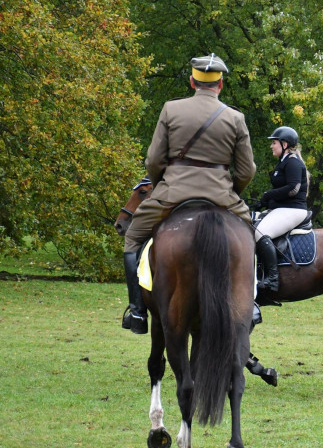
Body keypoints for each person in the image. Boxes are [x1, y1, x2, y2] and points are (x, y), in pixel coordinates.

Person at [121, 53, 256, 334]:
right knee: (253, 237)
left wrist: (161, 184)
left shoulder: (171, 109)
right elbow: (246, 170)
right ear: (220, 85)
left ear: (193, 82)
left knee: (133, 238)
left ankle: (136, 311)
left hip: (172, 193)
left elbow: (153, 161)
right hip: (221, 195)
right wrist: (231, 193)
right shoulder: (235, 117)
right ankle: (250, 305)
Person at [254, 126, 309, 294]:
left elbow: (293, 188)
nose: (272, 146)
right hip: (283, 209)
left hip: (294, 210)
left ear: (284, 144)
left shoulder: (292, 161)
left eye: (274, 143)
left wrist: (268, 195)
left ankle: (273, 278)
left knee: (260, 232)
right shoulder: (283, 162)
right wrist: (264, 201)